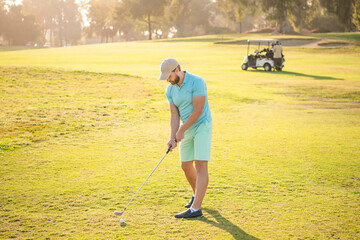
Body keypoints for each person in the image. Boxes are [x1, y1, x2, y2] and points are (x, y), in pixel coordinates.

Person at [158, 58, 212, 218]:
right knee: (185, 165)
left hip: (202, 125)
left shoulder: (197, 82)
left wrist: (182, 130)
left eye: (168, 76)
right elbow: (174, 114)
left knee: (200, 164)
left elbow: (198, 110)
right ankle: (197, 195)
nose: (167, 80)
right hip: (185, 128)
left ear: (176, 70)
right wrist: (172, 137)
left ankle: (196, 209)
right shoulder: (170, 90)